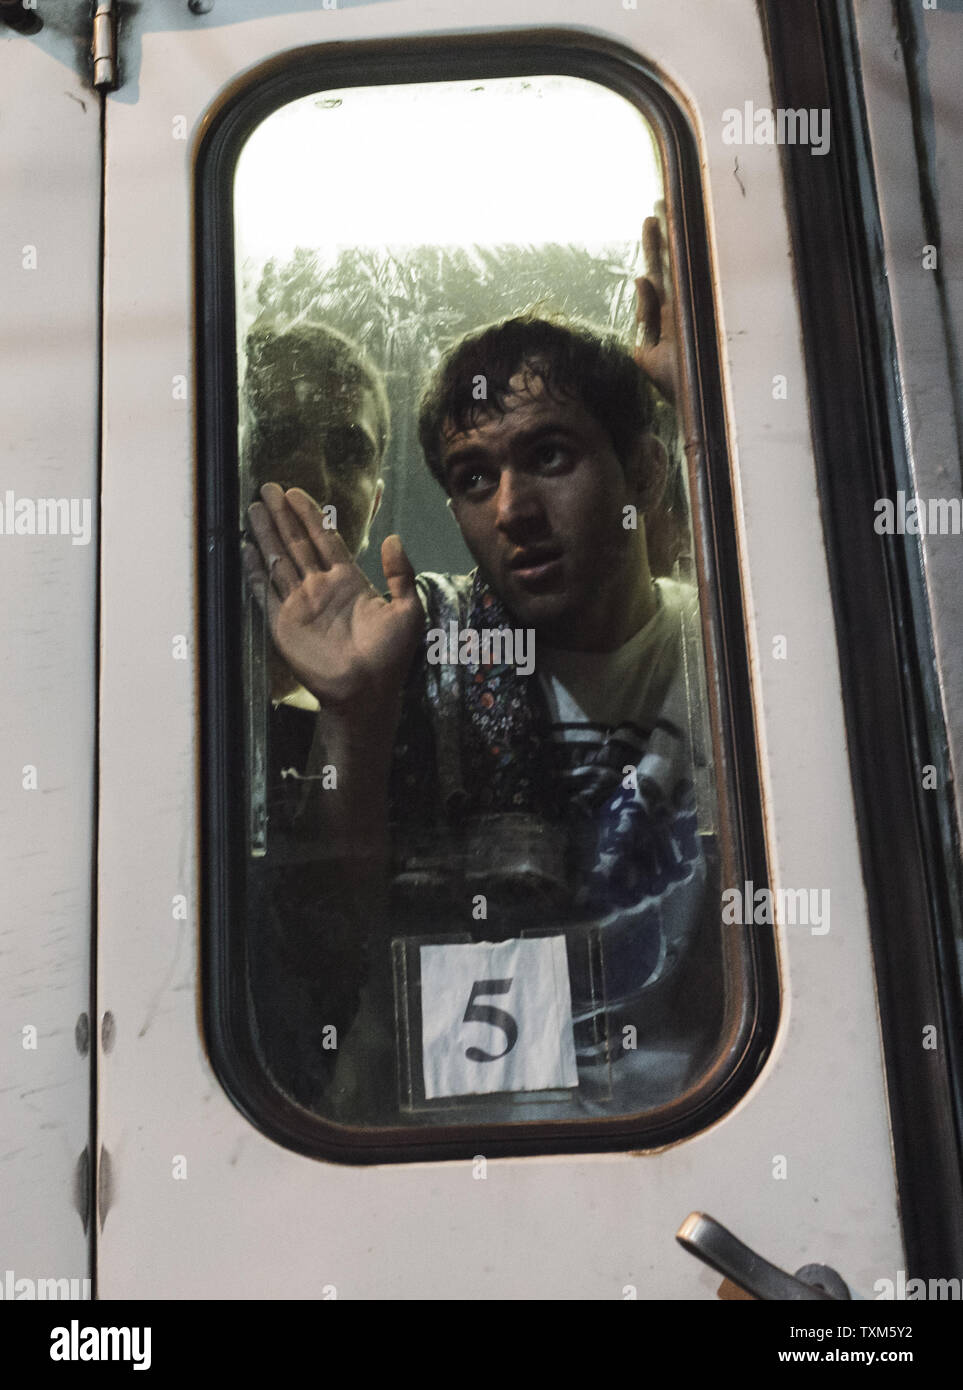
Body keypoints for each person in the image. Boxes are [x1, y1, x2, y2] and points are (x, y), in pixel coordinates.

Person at [246, 313, 720, 1121]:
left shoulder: (726, 647)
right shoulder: (423, 645)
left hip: (698, 1119)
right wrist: (353, 717)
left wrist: (723, 411)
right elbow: (331, 935)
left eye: (548, 457)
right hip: (434, 1147)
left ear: (643, 470)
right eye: (472, 477)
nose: (511, 508)